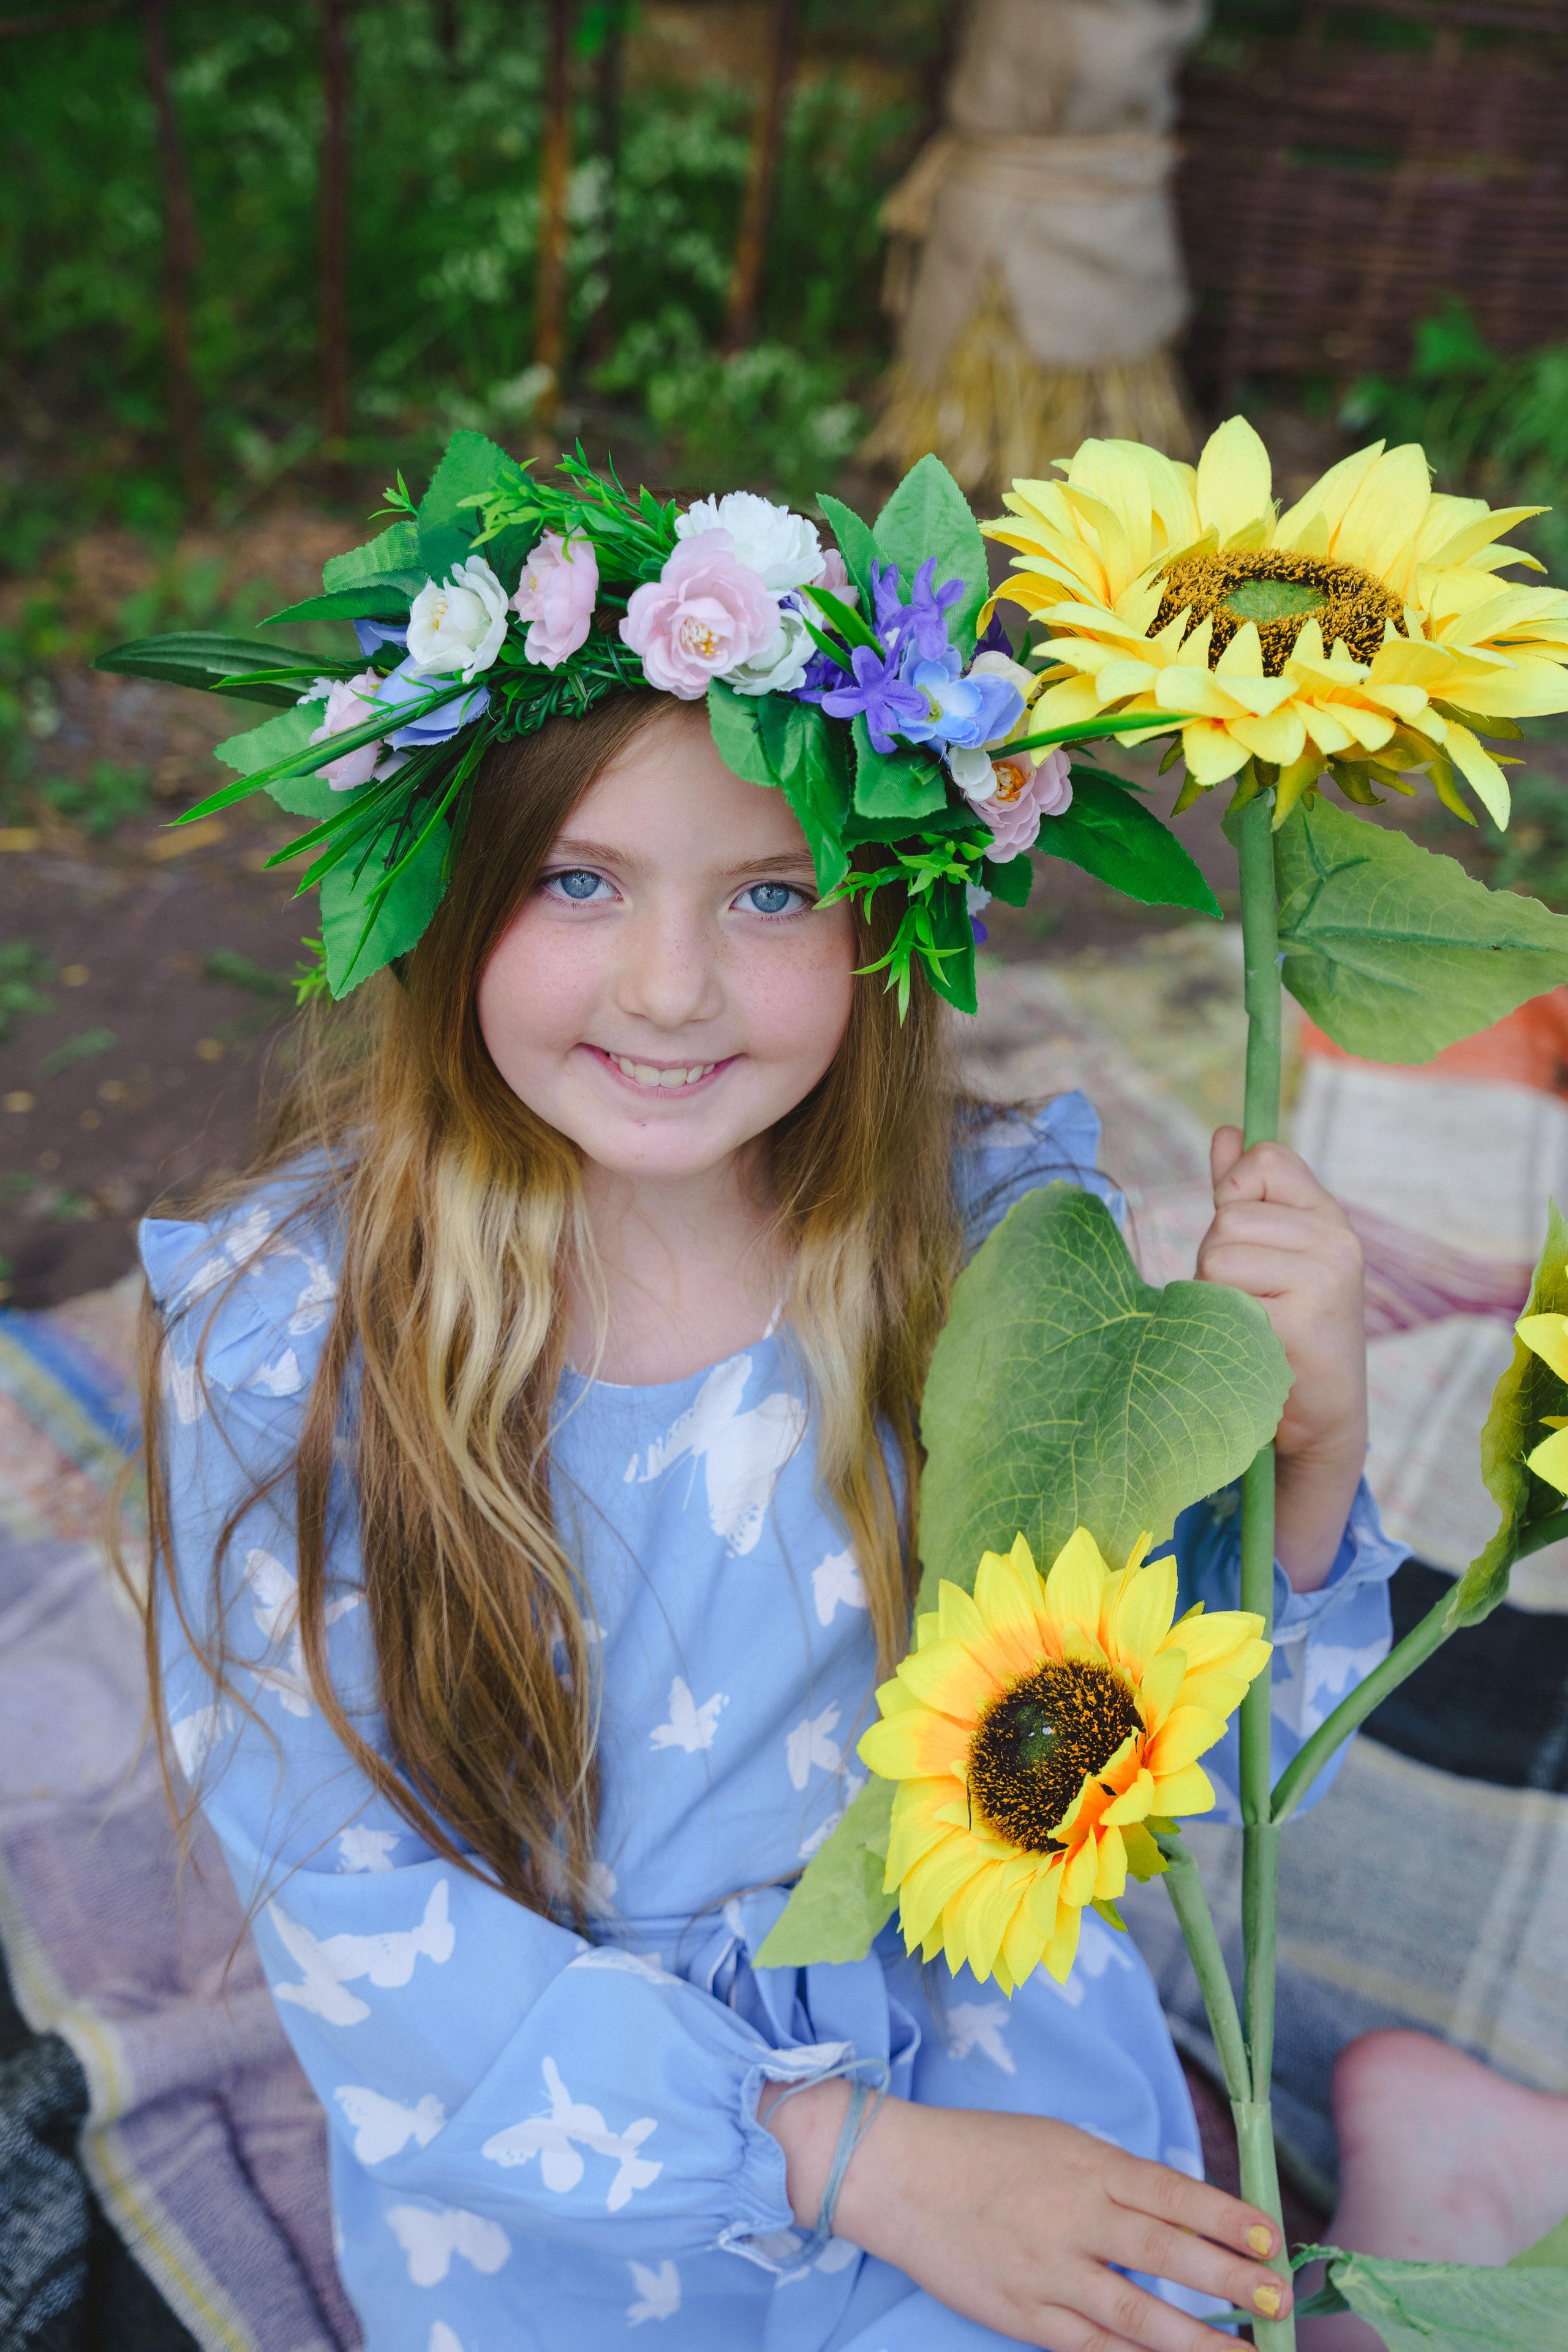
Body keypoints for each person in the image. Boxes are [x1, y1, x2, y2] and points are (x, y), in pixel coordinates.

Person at [132, 477, 1403, 2351]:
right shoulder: (284, 1340)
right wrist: (846, 2159)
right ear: (447, 899)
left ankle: (1409, 2144)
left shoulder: (991, 1254)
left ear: (890, 924)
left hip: (991, 2067)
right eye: (581, 880)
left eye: (772, 891)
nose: (668, 986)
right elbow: (351, 1921)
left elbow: (1169, 1763)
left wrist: (1313, 1444)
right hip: (578, 2165)